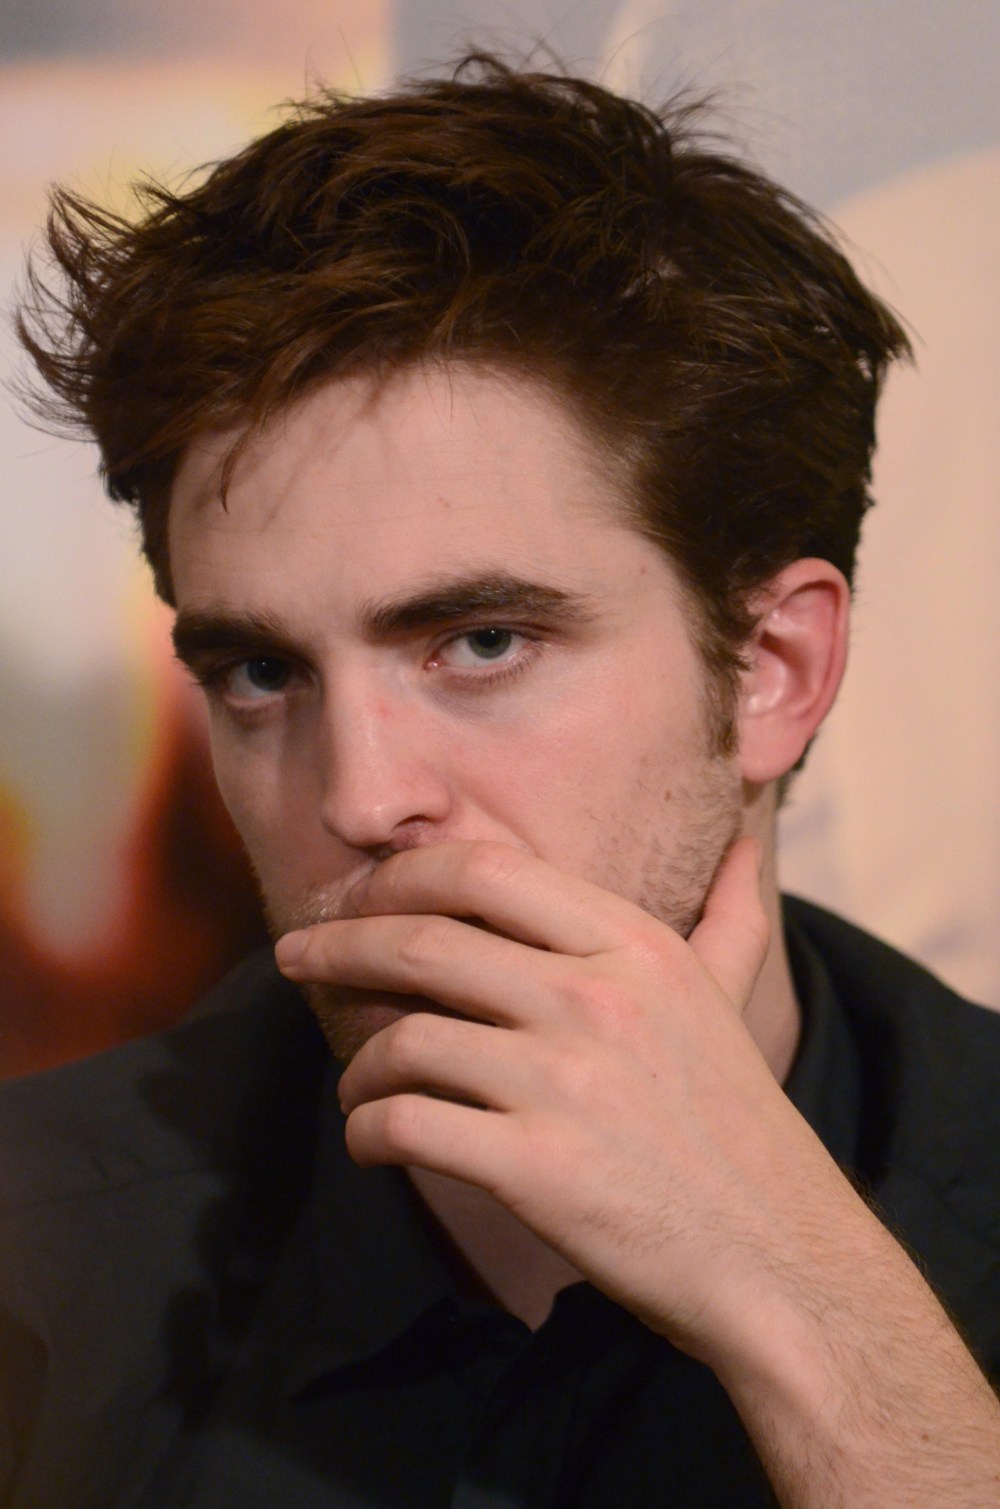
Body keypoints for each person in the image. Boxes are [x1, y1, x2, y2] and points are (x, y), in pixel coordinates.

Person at [3, 53, 999, 1509]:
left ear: (774, 668)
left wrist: (808, 1302)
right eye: (263, 672)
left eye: (480, 643)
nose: (359, 799)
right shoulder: (39, 1256)